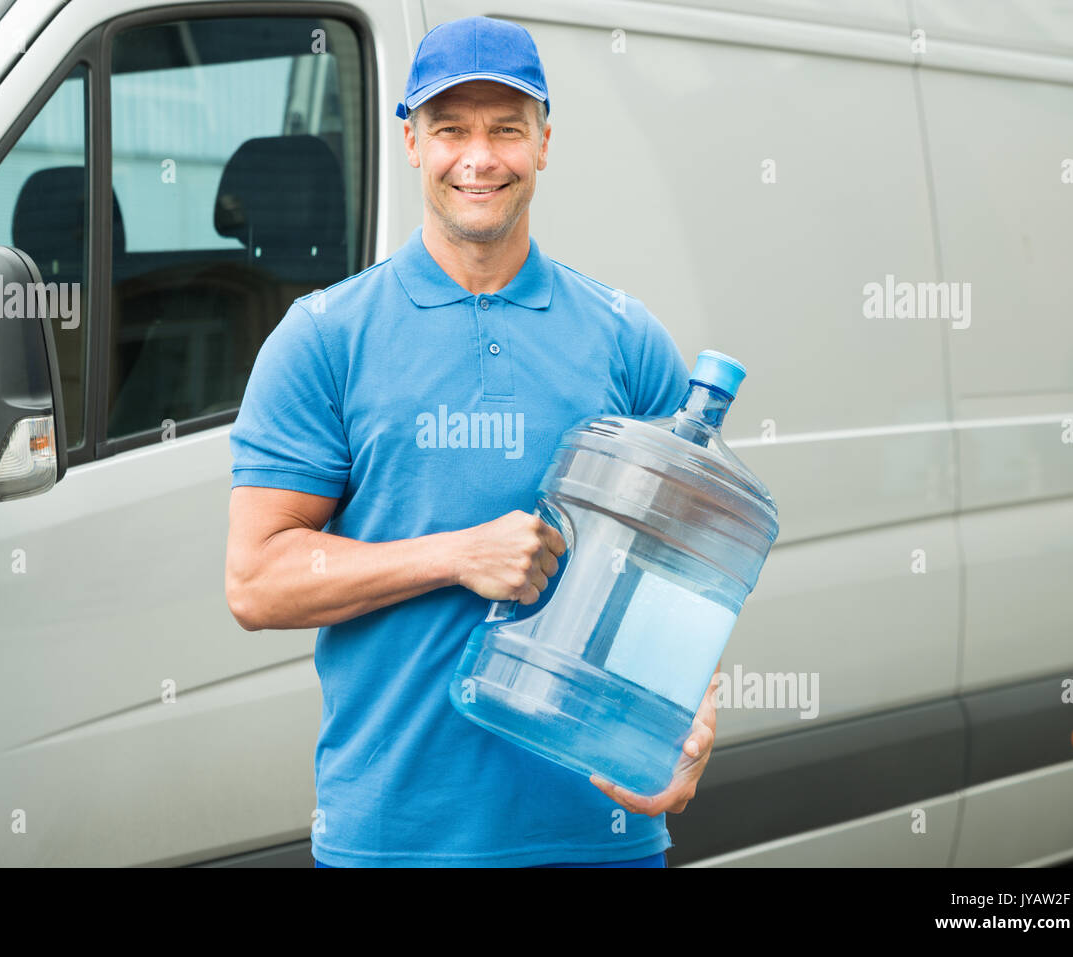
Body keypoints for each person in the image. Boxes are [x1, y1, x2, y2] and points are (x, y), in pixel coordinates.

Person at [225, 15, 719, 868]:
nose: (478, 157)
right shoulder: (324, 339)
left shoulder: (626, 339)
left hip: (600, 838)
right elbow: (256, 581)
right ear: (411, 140)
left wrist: (697, 717)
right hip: (396, 842)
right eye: (450, 128)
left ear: (545, 142)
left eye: (505, 130)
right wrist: (453, 554)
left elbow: (681, 580)